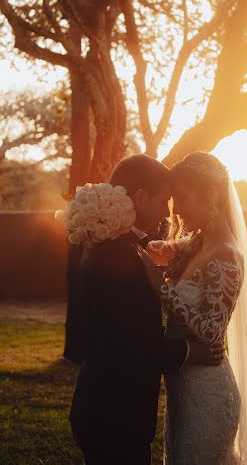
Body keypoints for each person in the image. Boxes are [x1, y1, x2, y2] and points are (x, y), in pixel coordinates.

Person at [67, 154, 224, 465]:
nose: (170, 210)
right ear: (140, 197)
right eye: (164, 199)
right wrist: (190, 352)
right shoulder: (117, 257)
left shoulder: (120, 247)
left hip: (110, 411)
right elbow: (126, 348)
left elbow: (129, 327)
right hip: (113, 417)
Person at [144, 152, 247, 464]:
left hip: (208, 392)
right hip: (183, 391)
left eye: (182, 198)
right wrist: (162, 253)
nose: (176, 210)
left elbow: (211, 330)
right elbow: (174, 258)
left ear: (211, 195)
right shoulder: (197, 244)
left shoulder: (227, 256)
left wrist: (161, 287)